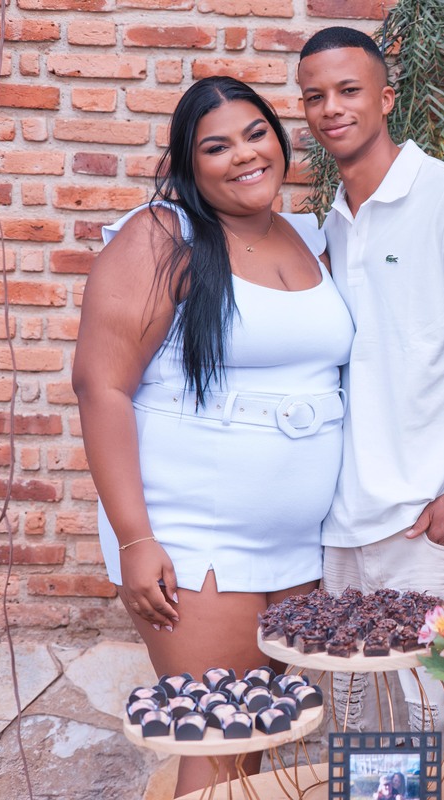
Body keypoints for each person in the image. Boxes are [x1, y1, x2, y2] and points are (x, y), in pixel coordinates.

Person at [73, 76, 353, 797]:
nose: (245, 155)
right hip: (195, 541)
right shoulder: (162, 236)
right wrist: (136, 540)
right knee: (217, 744)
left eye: (257, 134)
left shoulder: (312, 236)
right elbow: (100, 387)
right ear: (188, 165)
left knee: (252, 744)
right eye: (217, 146)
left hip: (297, 548)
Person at [297, 26, 444, 731]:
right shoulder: (333, 222)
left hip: (435, 519)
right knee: (360, 726)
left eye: (348, 90)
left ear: (386, 98)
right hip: (349, 525)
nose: (331, 108)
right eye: (314, 96)